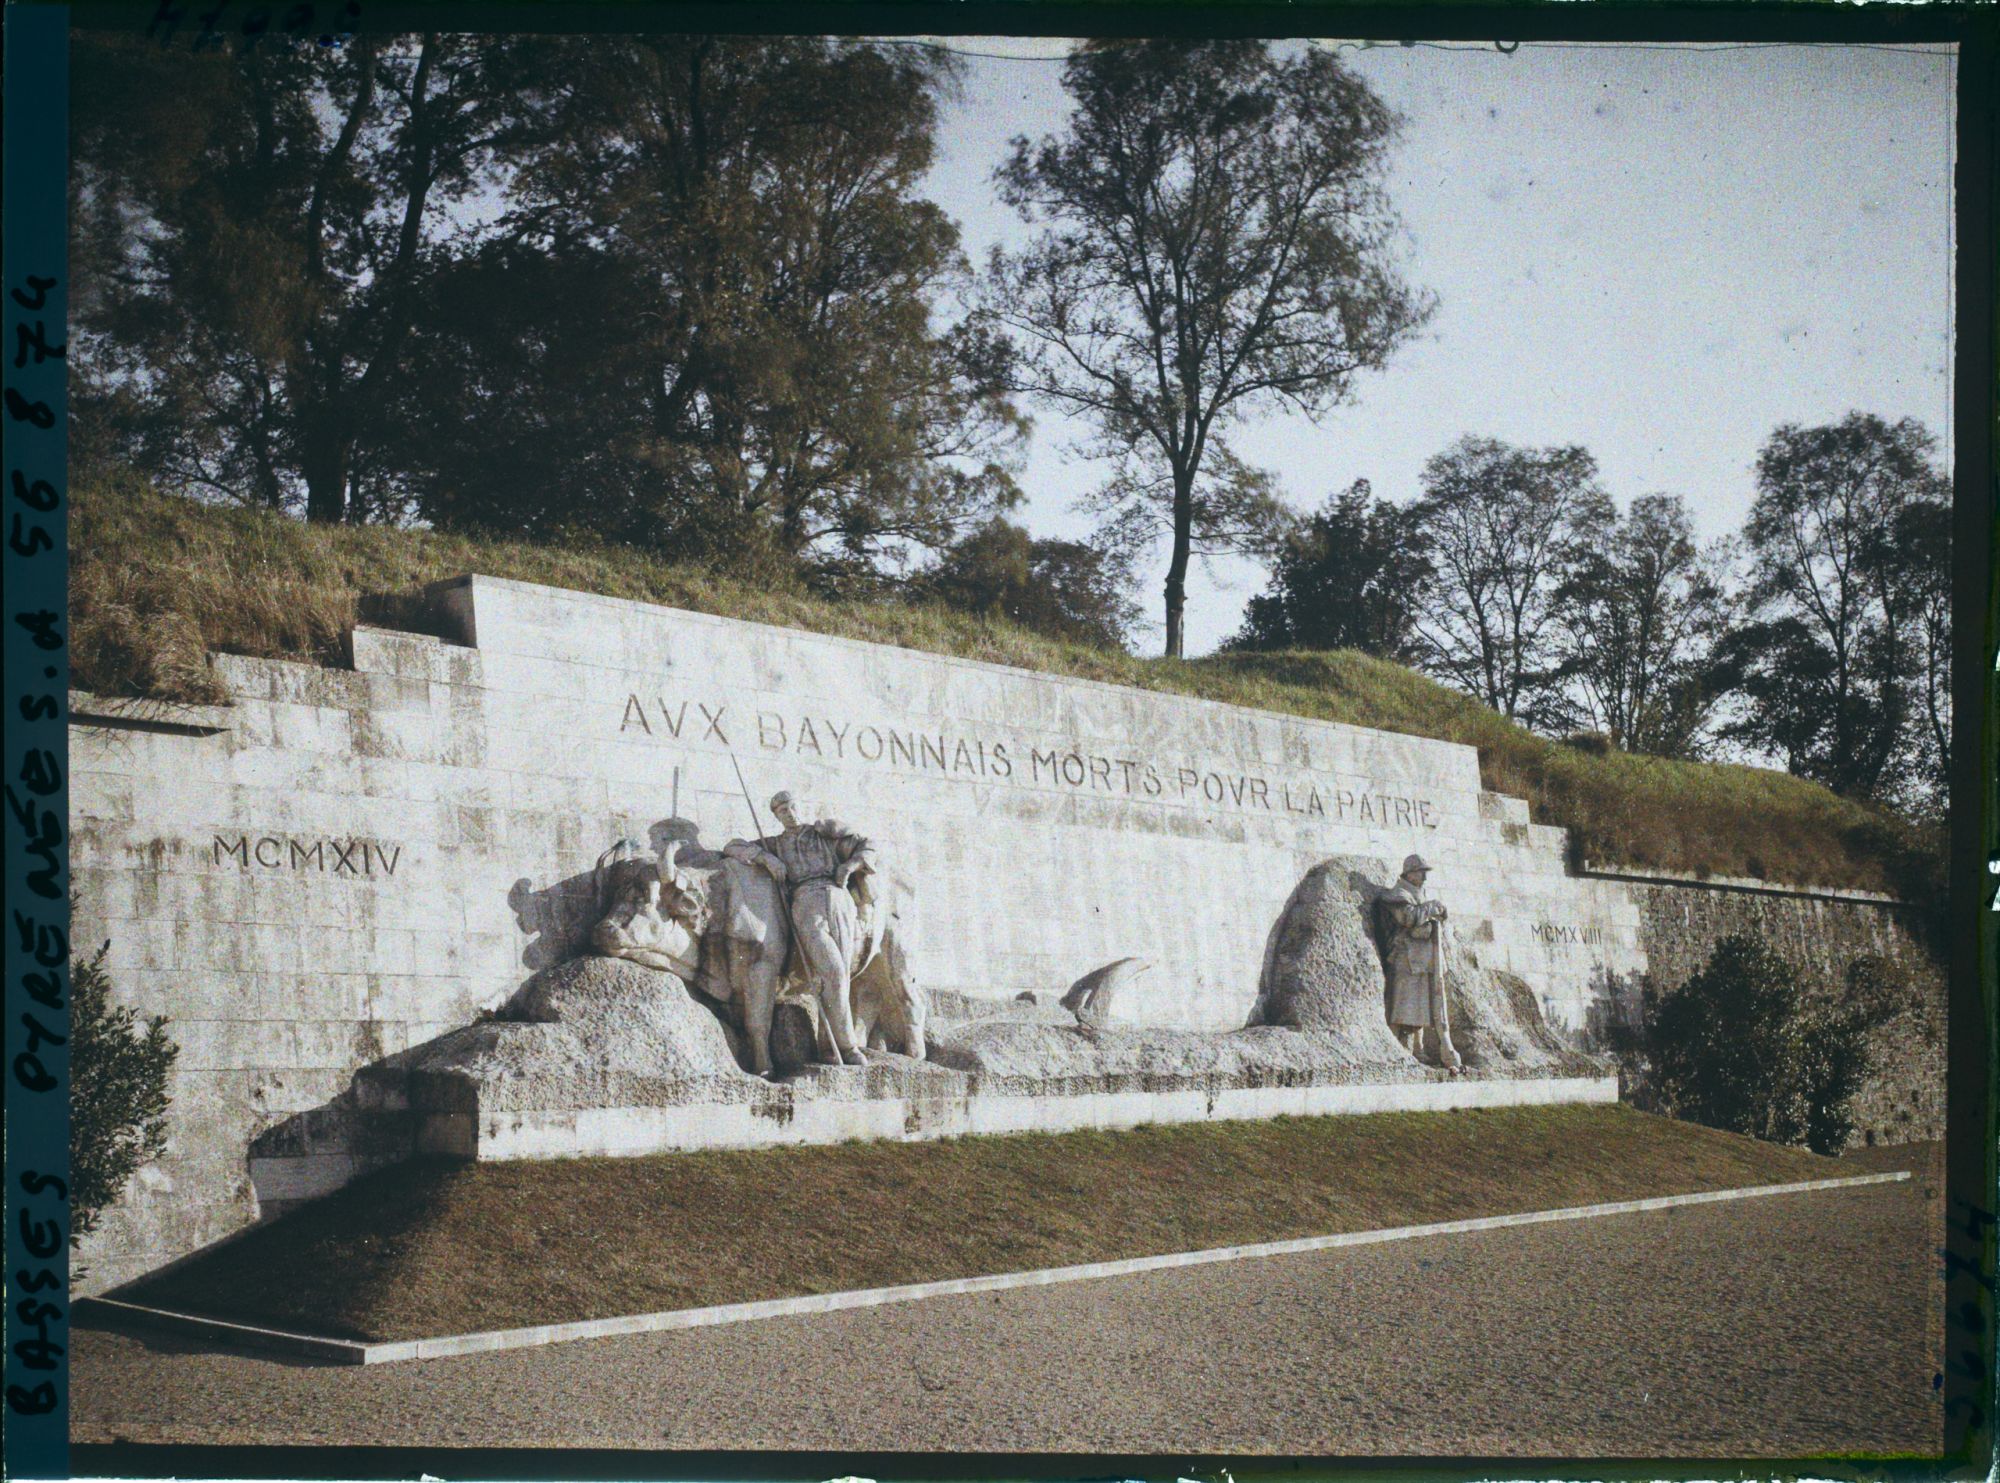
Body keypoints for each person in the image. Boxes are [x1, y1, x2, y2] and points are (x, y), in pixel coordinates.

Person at [724, 792, 875, 1066]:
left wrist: (850, 865)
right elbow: (732, 846)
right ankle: (849, 1046)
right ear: (777, 816)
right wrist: (765, 858)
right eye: (782, 811)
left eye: (792, 807)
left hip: (839, 898)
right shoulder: (775, 844)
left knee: (841, 975)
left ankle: (829, 1048)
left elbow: (866, 844)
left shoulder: (824, 833)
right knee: (834, 971)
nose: (789, 813)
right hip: (805, 902)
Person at [1382, 853, 1463, 1072]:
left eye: (1425, 873)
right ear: (1409, 873)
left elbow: (1425, 920)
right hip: (1404, 958)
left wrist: (1432, 919)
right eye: (1421, 872)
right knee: (1401, 1003)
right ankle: (1395, 1047)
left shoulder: (1419, 894)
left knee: (1422, 1004)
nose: (1424, 878)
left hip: (1422, 959)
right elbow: (1407, 919)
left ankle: (1418, 1048)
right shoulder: (1398, 894)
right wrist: (1431, 908)